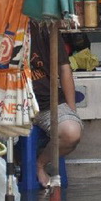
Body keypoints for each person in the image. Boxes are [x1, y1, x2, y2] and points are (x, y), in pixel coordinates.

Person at [29, 21, 83, 188]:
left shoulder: (45, 29)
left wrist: (72, 110)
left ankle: (39, 164)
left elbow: (65, 69)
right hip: (9, 104)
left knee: (72, 132)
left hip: (46, 103)